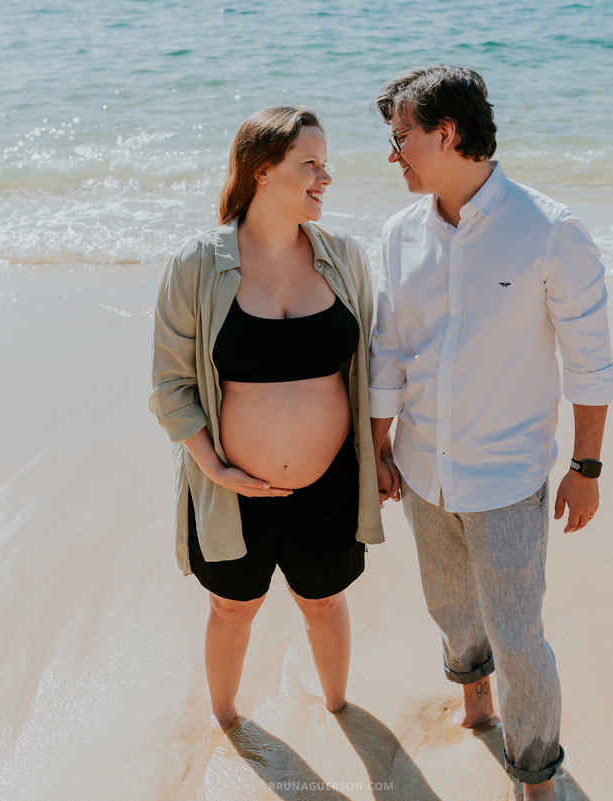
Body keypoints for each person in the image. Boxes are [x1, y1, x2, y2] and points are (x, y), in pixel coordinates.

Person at [368, 66, 613, 800]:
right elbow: (387, 351)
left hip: (507, 480)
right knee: (449, 606)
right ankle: (475, 705)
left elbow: (591, 361)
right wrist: (379, 450)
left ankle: (535, 773)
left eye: (400, 139)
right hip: (419, 468)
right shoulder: (398, 234)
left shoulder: (550, 230)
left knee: (519, 638)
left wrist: (587, 466)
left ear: (446, 135)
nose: (392, 157)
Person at [149, 107, 384, 732]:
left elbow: (376, 368)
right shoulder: (198, 264)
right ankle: (225, 719)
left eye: (326, 163)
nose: (325, 177)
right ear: (260, 172)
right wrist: (217, 469)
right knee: (231, 607)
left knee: (324, 600)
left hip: (331, 481)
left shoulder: (344, 257)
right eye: (309, 164)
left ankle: (340, 709)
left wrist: (381, 453)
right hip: (229, 487)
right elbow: (170, 385)